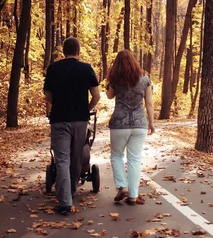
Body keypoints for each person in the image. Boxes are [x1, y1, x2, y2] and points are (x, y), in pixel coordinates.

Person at [44, 37, 100, 215]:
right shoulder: (86, 68)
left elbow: (48, 95)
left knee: (62, 160)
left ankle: (65, 201)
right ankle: (71, 191)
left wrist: (56, 106)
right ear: (78, 51)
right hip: (80, 120)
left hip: (59, 120)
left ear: (64, 51)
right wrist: (87, 109)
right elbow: (96, 95)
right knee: (76, 158)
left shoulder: (53, 68)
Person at [106, 50, 155, 205]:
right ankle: (133, 195)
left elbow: (109, 96)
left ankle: (122, 186)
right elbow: (149, 103)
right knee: (134, 159)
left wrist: (109, 82)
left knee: (117, 156)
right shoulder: (145, 79)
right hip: (139, 123)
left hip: (119, 123)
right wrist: (152, 123)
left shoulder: (116, 79)